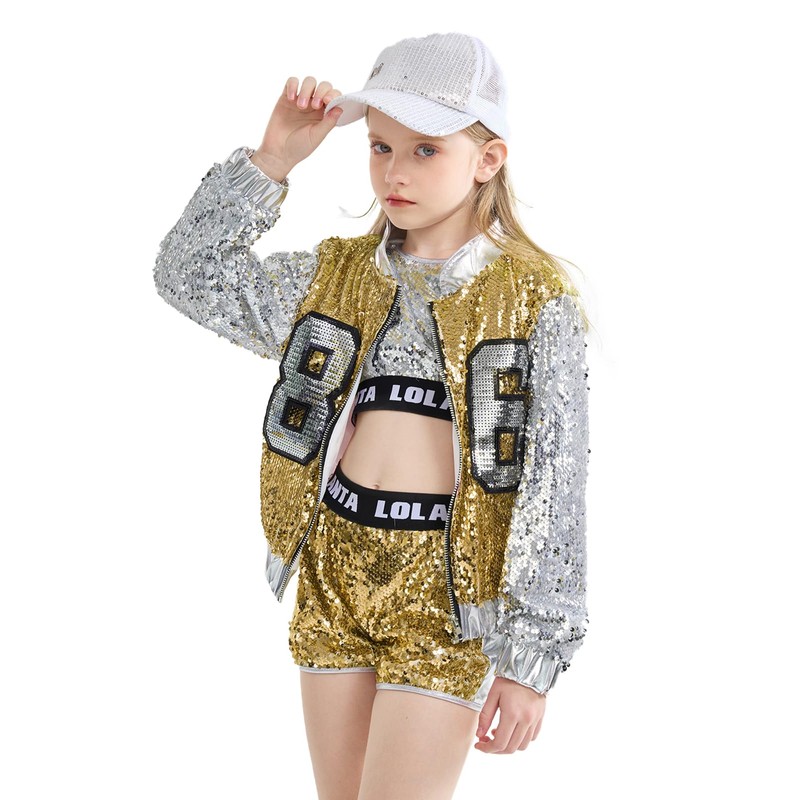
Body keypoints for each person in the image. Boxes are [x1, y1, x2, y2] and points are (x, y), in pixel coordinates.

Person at [153, 32, 591, 800]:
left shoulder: (531, 299)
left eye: (426, 150)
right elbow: (187, 273)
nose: (395, 172)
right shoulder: (335, 277)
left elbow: (555, 482)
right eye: (381, 146)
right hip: (335, 565)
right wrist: (273, 158)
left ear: (488, 159)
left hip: (445, 592)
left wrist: (533, 659)